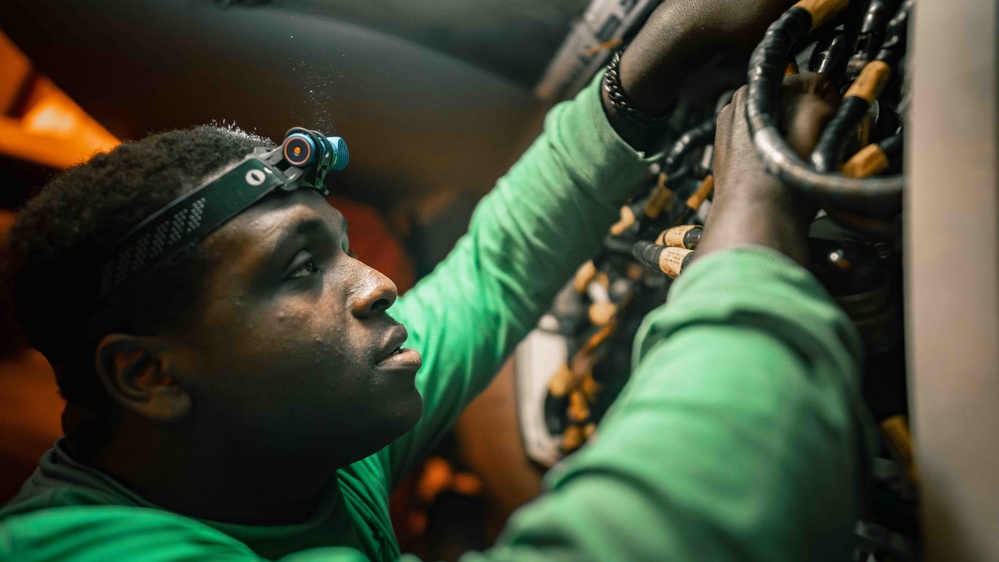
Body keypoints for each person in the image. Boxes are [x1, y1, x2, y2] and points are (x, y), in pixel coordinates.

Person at [0, 1, 874, 560]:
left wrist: (650, 59)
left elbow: (491, 270)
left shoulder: (288, 448)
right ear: (147, 375)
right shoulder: (84, 552)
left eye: (342, 247)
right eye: (300, 268)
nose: (378, 283)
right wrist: (751, 229)